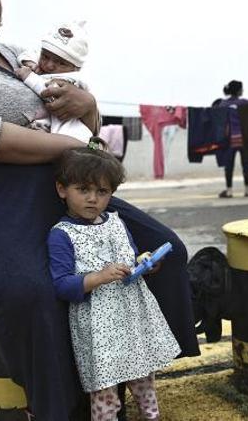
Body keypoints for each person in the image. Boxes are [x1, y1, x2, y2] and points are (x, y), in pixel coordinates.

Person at [0, 0, 200, 419]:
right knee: (31, 293)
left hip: (67, 186)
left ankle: (134, 363)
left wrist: (90, 104)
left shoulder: (19, 57)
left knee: (163, 249)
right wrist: (72, 146)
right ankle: (57, 405)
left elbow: (84, 122)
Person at [49, 141, 180, 420]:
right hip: (98, 328)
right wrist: (97, 277)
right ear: (62, 189)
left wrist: (146, 263)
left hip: (131, 317)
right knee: (105, 391)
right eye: (83, 190)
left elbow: (130, 258)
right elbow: (61, 285)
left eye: (102, 191)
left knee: (144, 377)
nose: (93, 199)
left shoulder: (117, 221)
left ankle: (151, 416)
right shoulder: (61, 235)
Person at [15, 20, 93, 143]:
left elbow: (50, 92)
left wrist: (29, 76)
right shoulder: (42, 61)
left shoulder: (73, 79)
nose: (49, 65)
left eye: (61, 63)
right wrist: (30, 63)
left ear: (75, 67)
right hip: (48, 131)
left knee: (89, 147)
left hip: (73, 136)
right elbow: (26, 54)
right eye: (45, 56)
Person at [213, 79, 248, 198]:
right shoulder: (245, 103)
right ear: (238, 91)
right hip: (244, 138)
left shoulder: (223, 104)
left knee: (229, 165)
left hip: (230, 139)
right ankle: (247, 190)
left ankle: (229, 191)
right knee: (246, 164)